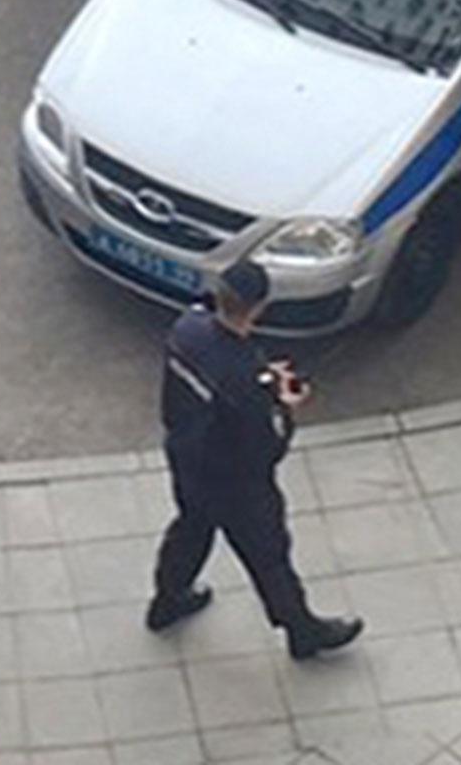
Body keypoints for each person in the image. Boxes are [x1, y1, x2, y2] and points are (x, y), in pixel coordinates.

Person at [148, 260, 362, 661]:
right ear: (259, 307)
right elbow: (268, 444)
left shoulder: (187, 329)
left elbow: (219, 367)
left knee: (191, 528)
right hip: (237, 483)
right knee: (269, 555)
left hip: (188, 459)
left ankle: (168, 598)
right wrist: (285, 404)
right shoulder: (246, 380)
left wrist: (263, 377)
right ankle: (302, 630)